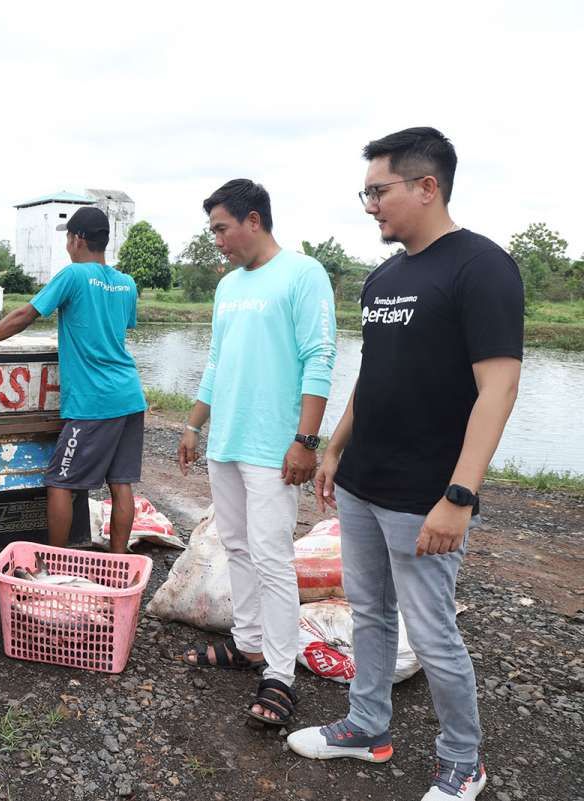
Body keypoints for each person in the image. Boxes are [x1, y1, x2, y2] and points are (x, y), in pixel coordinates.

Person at [288, 128, 523, 801]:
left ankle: (462, 760)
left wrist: (460, 493)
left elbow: (499, 388)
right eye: (365, 192)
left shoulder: (480, 267)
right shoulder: (383, 277)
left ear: (427, 186)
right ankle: (367, 726)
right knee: (368, 611)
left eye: (378, 190)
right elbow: (375, 372)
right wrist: (334, 446)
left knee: (433, 630)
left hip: (425, 492)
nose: (370, 205)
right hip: (364, 481)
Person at [177, 179, 336, 727]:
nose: (218, 240)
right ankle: (247, 644)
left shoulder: (302, 273)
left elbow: (319, 356)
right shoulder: (227, 287)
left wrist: (306, 441)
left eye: (222, 228)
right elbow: (219, 362)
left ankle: (281, 673)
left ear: (253, 221)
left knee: (272, 557)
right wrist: (194, 424)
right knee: (238, 546)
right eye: (213, 230)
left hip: (274, 446)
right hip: (227, 440)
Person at [0, 206, 144, 554]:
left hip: (94, 401)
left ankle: (56, 564)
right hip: (129, 395)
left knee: (61, 482)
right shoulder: (127, 283)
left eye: (69, 239)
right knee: (121, 484)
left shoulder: (73, 276)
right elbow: (120, 329)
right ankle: (120, 562)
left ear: (77, 239)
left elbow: (25, 315)